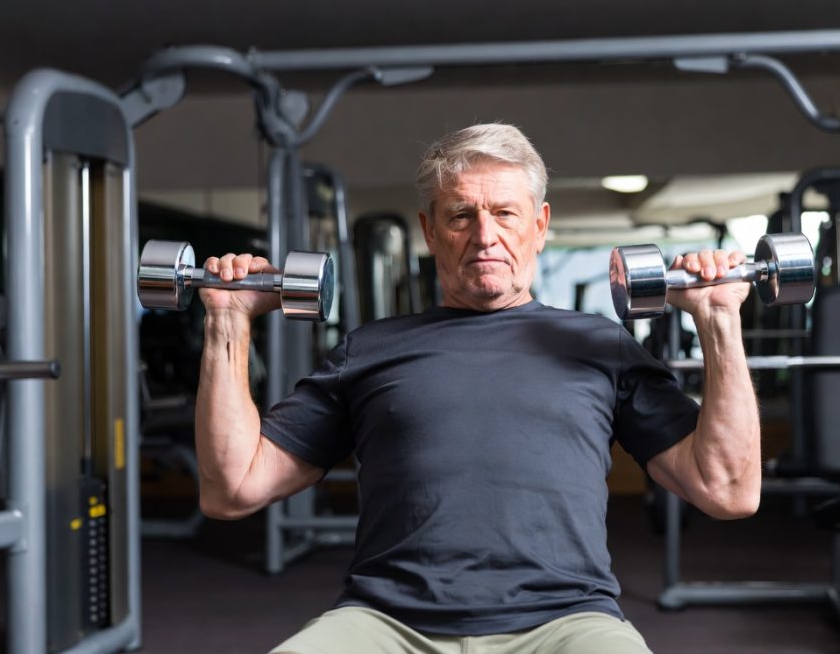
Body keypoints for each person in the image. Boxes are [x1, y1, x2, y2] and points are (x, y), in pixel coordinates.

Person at [194, 123, 760, 654]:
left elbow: (728, 491)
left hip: (565, 620)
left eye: (505, 214)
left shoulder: (601, 346)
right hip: (388, 621)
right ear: (430, 231)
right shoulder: (369, 350)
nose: (485, 236)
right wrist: (227, 319)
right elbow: (232, 488)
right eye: (461, 215)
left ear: (539, 226)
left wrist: (718, 319)